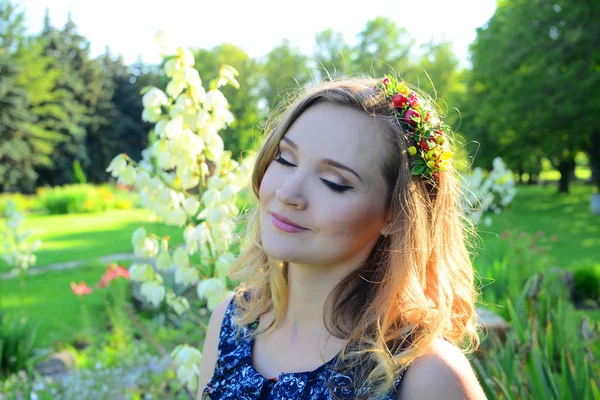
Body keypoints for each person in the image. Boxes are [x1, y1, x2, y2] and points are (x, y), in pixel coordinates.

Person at [196, 76, 487, 399]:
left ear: (395, 214)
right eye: (286, 159)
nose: (288, 192)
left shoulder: (426, 375)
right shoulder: (232, 322)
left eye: (333, 181)